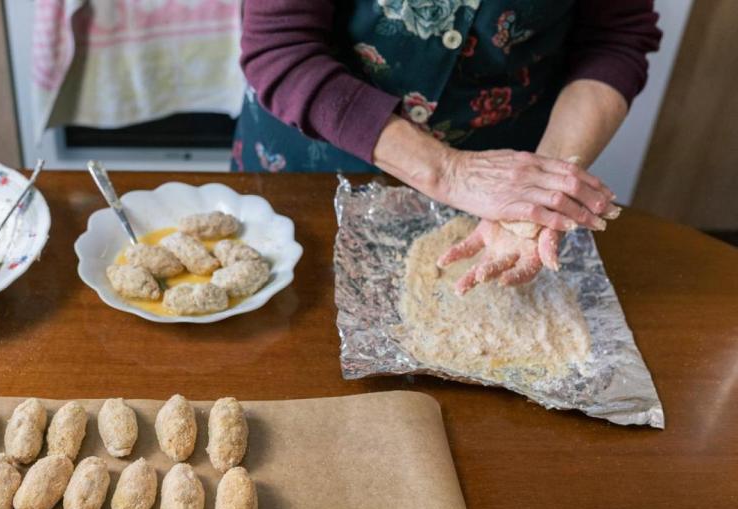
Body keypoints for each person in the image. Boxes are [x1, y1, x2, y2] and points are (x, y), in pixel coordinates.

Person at [232, 1, 661, 292]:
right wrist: (449, 171)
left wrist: (542, 186)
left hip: (499, 187)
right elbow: (282, 48)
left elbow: (614, 39)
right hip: (313, 163)